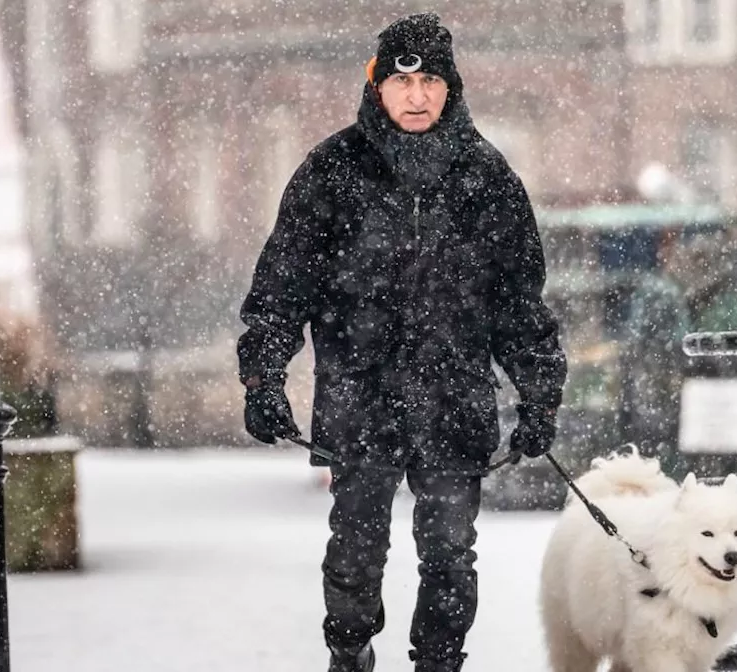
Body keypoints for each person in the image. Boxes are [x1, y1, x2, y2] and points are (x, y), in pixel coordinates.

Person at [235, 12, 567, 672]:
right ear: (377, 86)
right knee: (356, 551)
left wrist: (539, 398)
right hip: (360, 399)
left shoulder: (486, 177)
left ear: (451, 88)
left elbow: (519, 304)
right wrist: (263, 378)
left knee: (449, 553)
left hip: (454, 400)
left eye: (431, 83)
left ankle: (439, 664)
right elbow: (282, 284)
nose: (416, 97)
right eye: (401, 82)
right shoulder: (331, 171)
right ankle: (349, 651)